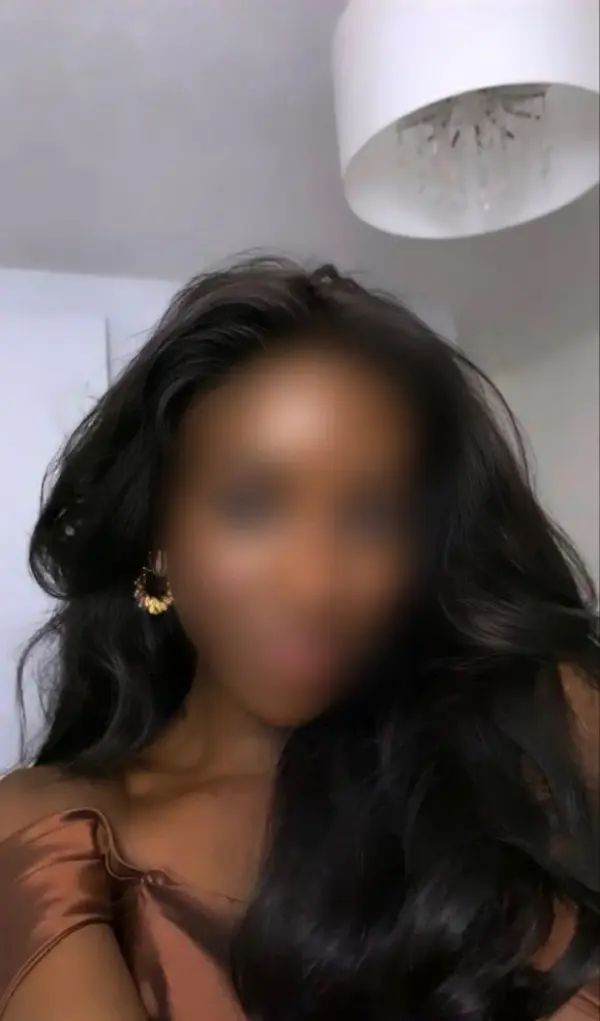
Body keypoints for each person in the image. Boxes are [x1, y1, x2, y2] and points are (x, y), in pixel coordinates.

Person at [0, 259, 598, 1021]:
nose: (315, 588)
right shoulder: (55, 829)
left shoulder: (520, 738)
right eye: (250, 507)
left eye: (374, 518)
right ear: (158, 537)